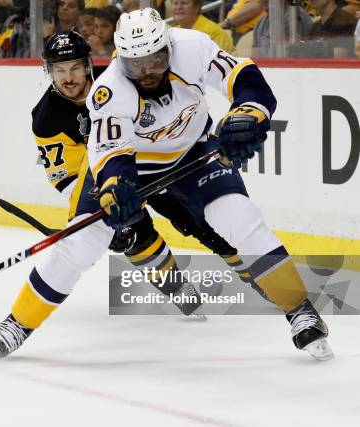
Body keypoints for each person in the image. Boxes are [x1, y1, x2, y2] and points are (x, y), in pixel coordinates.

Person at [86, 8, 333, 361]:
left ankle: (299, 310)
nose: (147, 73)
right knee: (132, 232)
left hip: (194, 151)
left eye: (155, 60)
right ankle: (175, 286)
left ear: (168, 47)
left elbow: (244, 78)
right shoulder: (109, 90)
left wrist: (248, 112)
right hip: (141, 169)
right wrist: (115, 186)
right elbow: (112, 155)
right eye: (135, 65)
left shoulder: (193, 47)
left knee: (241, 219)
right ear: (120, 59)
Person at [0, 31, 209, 359]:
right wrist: (93, 215)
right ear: (48, 71)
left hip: (153, 157)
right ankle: (17, 324)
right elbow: (68, 176)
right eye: (59, 70)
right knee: (124, 231)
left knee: (197, 219)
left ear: (89, 65)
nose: (68, 77)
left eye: (74, 68)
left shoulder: (120, 80)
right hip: (107, 174)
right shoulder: (46, 118)